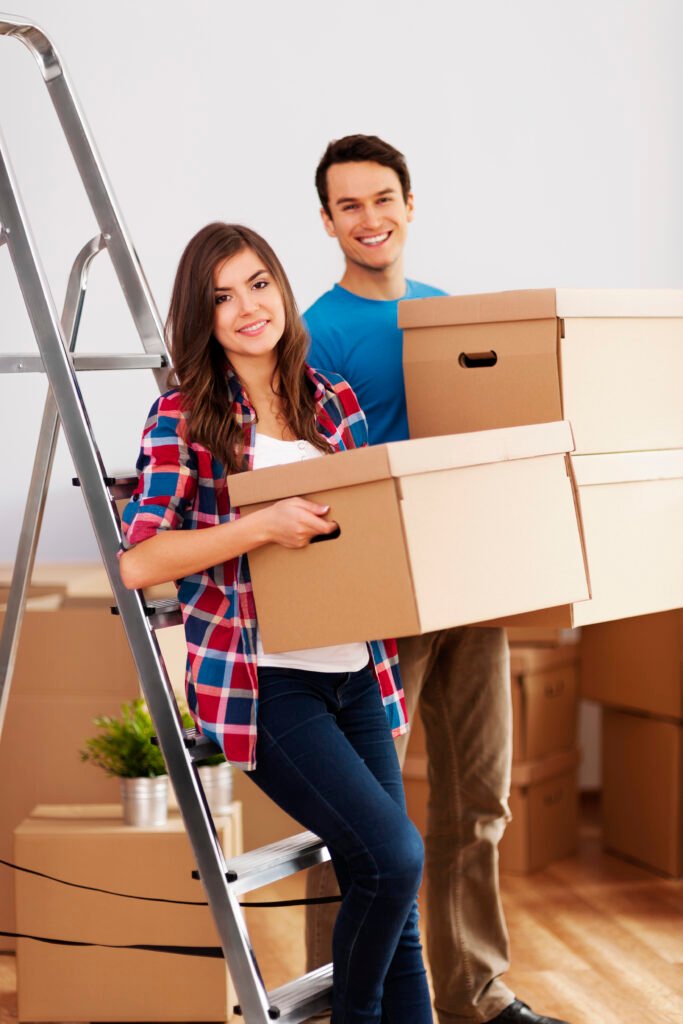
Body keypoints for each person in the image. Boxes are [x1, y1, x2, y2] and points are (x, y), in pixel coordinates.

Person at [118, 222, 433, 1024]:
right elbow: (140, 560)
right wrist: (260, 524)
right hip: (266, 684)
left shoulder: (332, 399)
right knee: (392, 860)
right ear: (202, 316)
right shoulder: (183, 416)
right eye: (221, 297)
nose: (248, 307)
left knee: (395, 898)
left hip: (355, 673)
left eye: (259, 283)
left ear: (282, 288)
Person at [304, 135, 571, 1024]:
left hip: (472, 580)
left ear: (410, 205)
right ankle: (356, 996)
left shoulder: (448, 316)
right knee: (367, 819)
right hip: (383, 595)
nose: (368, 219)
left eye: (381, 199)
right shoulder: (317, 331)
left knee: (479, 798)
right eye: (348, 205)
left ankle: (476, 992)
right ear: (326, 220)